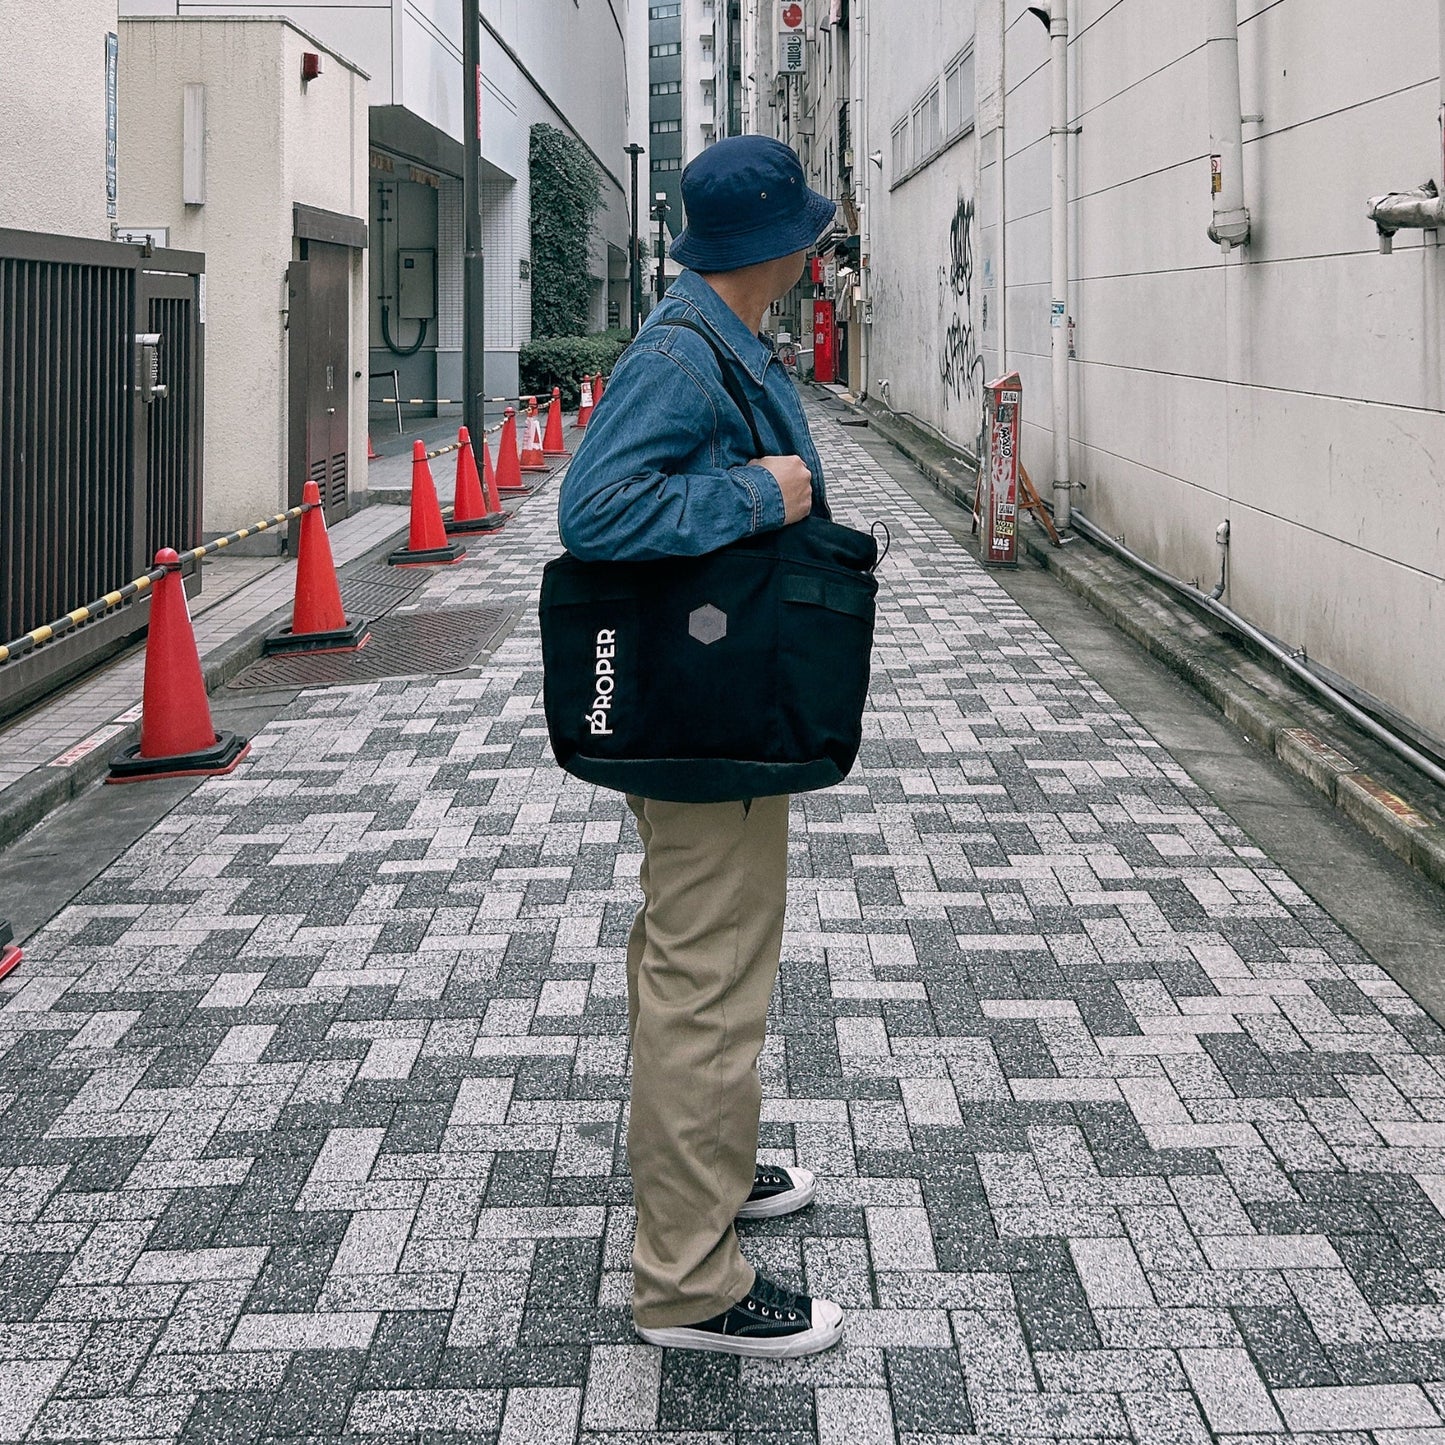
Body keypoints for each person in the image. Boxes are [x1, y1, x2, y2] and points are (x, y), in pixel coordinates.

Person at [557, 135, 844, 1358]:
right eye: (809, 229)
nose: (817, 245)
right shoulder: (683, 351)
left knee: (699, 961)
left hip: (712, 707)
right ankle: (686, 1279)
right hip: (704, 721)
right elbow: (595, 509)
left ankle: (708, 1179)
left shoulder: (710, 331)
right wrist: (763, 493)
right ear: (772, 245)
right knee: (707, 979)